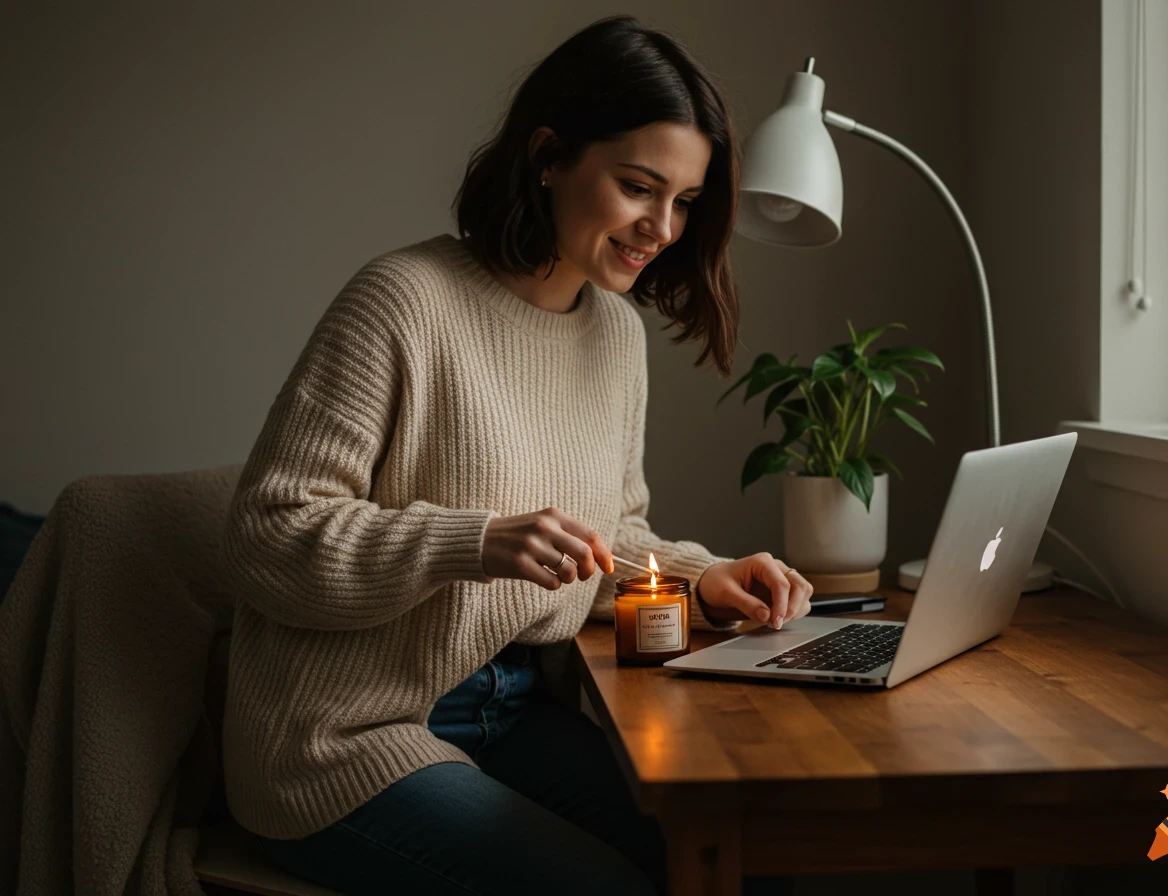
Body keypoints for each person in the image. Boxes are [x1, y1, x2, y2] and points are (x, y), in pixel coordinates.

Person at [221, 14, 814, 895]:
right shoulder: (401, 301)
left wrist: (702, 578)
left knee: (740, 862)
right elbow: (266, 536)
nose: (661, 226)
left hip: (516, 711)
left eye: (684, 201)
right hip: (344, 738)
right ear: (548, 156)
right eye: (638, 186)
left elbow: (608, 534)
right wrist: (471, 540)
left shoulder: (614, 334)